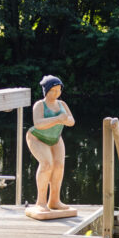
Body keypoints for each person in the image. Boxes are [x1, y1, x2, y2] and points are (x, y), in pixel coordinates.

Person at [26, 75, 76, 212]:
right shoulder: (40, 105)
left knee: (59, 166)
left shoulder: (62, 104)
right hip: (37, 137)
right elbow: (38, 124)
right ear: (46, 91)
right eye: (53, 90)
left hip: (55, 138)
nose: (56, 93)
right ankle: (40, 202)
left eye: (59, 90)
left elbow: (71, 121)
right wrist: (58, 119)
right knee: (47, 164)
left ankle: (54, 200)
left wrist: (65, 120)